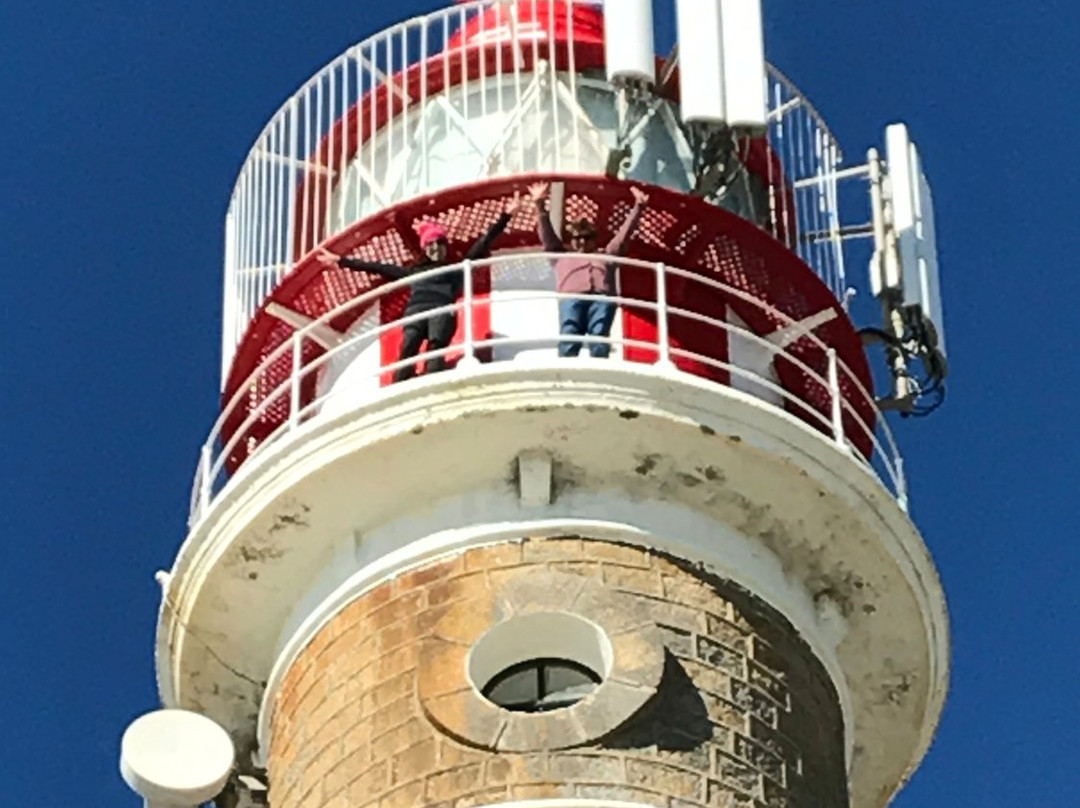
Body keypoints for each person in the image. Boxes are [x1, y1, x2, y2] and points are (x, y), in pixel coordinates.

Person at [318, 194, 521, 381]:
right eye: (431, 245)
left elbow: (482, 245)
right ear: (425, 249)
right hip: (417, 312)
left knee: (436, 346)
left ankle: (433, 375)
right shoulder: (415, 271)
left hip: (441, 312)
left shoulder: (455, 269)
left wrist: (506, 216)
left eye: (440, 243)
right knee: (408, 348)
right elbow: (378, 268)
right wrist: (342, 261)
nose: (436, 249)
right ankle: (401, 381)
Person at [528, 182, 648, 358]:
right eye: (577, 238)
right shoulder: (560, 255)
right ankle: (566, 374)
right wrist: (539, 204)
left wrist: (639, 207)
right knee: (569, 334)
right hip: (572, 297)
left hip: (602, 298)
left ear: (594, 239)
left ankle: (599, 369)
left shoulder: (607, 254)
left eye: (587, 237)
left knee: (599, 337)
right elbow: (546, 234)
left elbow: (624, 235)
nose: (582, 242)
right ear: (571, 241)